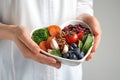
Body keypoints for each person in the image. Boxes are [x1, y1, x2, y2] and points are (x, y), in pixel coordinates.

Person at [0, 0, 101, 80]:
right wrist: (12, 32)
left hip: (67, 72)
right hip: (17, 67)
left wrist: (84, 17)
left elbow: (82, 2)